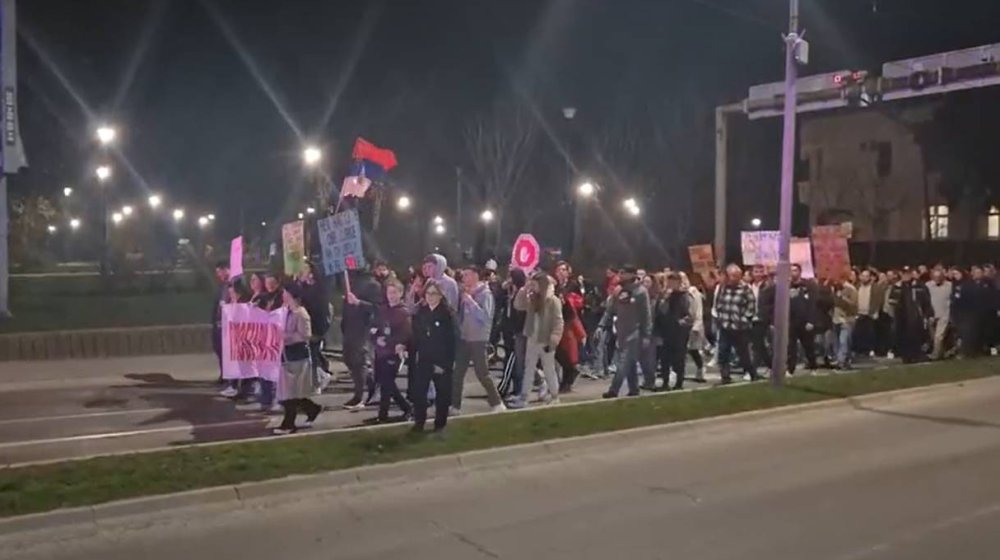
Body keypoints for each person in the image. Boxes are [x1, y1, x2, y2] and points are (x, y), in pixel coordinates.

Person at [452, 266, 506, 414]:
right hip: (465, 337)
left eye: (467, 275)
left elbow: (485, 317)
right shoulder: (466, 293)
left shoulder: (485, 294)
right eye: (463, 275)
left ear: (476, 276)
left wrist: (470, 302)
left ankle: (497, 402)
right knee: (458, 373)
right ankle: (455, 405)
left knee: (482, 372)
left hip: (478, 338)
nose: (464, 278)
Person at [274, 285, 323, 435]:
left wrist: (286, 337)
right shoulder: (285, 311)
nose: (283, 296)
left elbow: (305, 336)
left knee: (291, 393)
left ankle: (288, 424)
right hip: (286, 355)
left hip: (297, 356)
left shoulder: (301, 313)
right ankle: (312, 408)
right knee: (292, 392)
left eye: (285, 293)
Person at [511, 272, 564, 406]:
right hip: (532, 337)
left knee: (549, 369)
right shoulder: (532, 298)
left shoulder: (553, 300)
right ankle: (524, 397)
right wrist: (524, 289)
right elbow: (518, 305)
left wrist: (554, 339)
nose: (533, 287)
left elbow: (559, 322)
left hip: (546, 340)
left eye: (535, 284)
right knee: (528, 368)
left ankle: (554, 396)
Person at [411, 280, 456, 433]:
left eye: (434, 293)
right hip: (424, 358)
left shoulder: (447, 314)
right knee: (419, 392)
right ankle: (419, 422)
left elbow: (451, 341)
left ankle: (440, 424)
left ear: (440, 295)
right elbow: (416, 335)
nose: (430, 297)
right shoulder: (421, 312)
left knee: (442, 394)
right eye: (428, 293)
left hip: (441, 361)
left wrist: (444, 364)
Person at [600, 266, 652, 399]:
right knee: (630, 362)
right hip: (622, 331)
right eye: (620, 273)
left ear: (632, 275)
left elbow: (646, 315)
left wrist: (646, 334)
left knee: (623, 362)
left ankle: (614, 389)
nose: (620, 276)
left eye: (623, 273)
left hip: (635, 332)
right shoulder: (619, 291)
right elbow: (610, 310)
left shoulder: (641, 292)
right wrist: (602, 325)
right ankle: (634, 389)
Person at [367, 278, 413, 423]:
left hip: (393, 352)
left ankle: (384, 415)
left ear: (400, 293)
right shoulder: (382, 310)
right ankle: (405, 408)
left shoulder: (404, 313)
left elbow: (405, 334)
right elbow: (374, 328)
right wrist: (375, 339)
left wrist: (388, 341)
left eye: (394, 292)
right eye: (389, 292)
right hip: (380, 352)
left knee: (387, 383)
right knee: (385, 383)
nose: (391, 295)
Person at [341, 268, 383, 410]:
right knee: (348, 358)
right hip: (349, 326)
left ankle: (359, 395)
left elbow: (377, 308)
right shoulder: (350, 281)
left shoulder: (373, 285)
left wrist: (359, 302)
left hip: (363, 327)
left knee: (358, 361)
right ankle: (370, 382)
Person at [712, 264, 757, 384]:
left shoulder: (745, 288)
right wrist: (720, 318)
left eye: (736, 276)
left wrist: (745, 319)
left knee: (743, 353)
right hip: (725, 325)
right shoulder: (723, 288)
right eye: (731, 276)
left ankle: (752, 373)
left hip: (740, 327)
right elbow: (718, 304)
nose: (733, 278)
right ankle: (725, 376)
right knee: (723, 352)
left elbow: (751, 306)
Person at [297, 262, 333, 393]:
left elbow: (322, 310)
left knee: (312, 354)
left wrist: (319, 330)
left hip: (316, 326)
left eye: (304, 269)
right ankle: (321, 375)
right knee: (311, 355)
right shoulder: (302, 287)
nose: (302, 271)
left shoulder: (319, 288)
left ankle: (317, 381)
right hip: (305, 326)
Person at [654, 272, 693, 390]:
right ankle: (665, 382)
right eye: (669, 282)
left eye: (674, 282)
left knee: (678, 359)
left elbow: (689, 315)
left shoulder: (684, 296)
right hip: (665, 331)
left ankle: (679, 383)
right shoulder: (664, 296)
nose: (671, 284)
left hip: (679, 333)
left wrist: (682, 322)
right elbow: (659, 313)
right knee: (664, 359)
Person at [888, 267, 933, 363]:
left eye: (908, 273)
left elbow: (926, 301)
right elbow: (892, 302)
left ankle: (916, 355)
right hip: (901, 317)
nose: (906, 276)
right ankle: (906, 356)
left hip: (915, 317)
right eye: (904, 273)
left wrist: (927, 314)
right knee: (903, 337)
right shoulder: (897, 287)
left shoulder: (919, 286)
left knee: (916, 336)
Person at [496, 269, 527, 399]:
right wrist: (503, 290)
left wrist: (516, 330)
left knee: (513, 361)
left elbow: (520, 314)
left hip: (517, 332)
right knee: (512, 361)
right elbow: (499, 303)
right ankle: (516, 388)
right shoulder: (509, 293)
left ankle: (507, 387)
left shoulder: (521, 294)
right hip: (508, 330)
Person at [787, 264, 820, 375]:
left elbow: (813, 304)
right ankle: (790, 369)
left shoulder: (808, 285)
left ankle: (813, 367)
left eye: (795, 270)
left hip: (805, 321)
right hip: (792, 321)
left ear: (800, 272)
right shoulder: (787, 286)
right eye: (791, 270)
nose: (793, 273)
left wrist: (811, 321)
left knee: (808, 346)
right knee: (791, 347)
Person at [556, 280, 587, 394]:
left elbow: (572, 317)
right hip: (560, 330)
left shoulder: (564, 301)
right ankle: (566, 380)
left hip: (565, 330)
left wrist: (581, 334)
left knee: (565, 357)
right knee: (563, 357)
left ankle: (566, 381)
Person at [680, 272, 707, 382]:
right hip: (682, 325)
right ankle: (679, 372)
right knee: (681, 350)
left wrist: (697, 325)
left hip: (694, 324)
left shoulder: (693, 292)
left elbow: (698, 310)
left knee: (693, 350)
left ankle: (700, 368)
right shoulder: (677, 293)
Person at [852, 269, 885, 359]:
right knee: (858, 333)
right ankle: (859, 350)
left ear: (870, 277)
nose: (864, 278)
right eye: (863, 276)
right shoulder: (857, 287)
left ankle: (870, 350)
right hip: (859, 313)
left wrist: (876, 311)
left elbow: (879, 300)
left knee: (870, 333)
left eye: (866, 276)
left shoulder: (875, 287)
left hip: (870, 313)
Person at [950, 267, 982, 358]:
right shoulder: (955, 285)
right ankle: (965, 351)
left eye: (957, 273)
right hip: (959, 313)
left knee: (967, 333)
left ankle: (967, 352)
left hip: (968, 312)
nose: (955, 276)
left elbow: (971, 298)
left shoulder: (968, 284)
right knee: (962, 333)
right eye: (954, 274)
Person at [830, 274, 858, 370]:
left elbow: (853, 305)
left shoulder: (851, 289)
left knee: (844, 341)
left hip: (847, 319)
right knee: (839, 342)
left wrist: (842, 298)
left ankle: (840, 362)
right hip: (836, 318)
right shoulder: (835, 289)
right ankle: (845, 361)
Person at [748, 265, 773, 373]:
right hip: (751, 317)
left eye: (760, 271)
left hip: (763, 318)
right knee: (759, 344)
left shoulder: (768, 286)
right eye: (755, 271)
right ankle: (771, 365)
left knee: (757, 344)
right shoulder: (749, 286)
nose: (758, 274)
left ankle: (753, 369)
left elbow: (772, 303)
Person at [925, 267, 953, 360]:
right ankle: (941, 353)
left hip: (944, 314)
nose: (937, 279)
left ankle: (935, 355)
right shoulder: (928, 285)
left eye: (939, 277)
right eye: (935, 277)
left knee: (938, 337)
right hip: (932, 314)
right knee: (933, 337)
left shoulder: (949, 286)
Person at [212, 262, 231, 392]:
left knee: (227, 352)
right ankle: (224, 374)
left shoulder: (234, 284)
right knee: (219, 349)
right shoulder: (222, 286)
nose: (218, 275)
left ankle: (229, 377)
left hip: (228, 324)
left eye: (220, 271)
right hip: (219, 323)